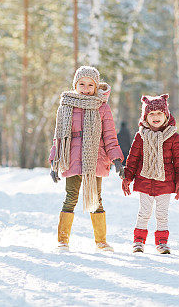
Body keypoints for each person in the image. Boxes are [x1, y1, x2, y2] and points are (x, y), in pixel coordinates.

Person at [49, 65, 124, 252]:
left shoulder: (102, 107)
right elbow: (59, 137)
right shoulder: (66, 106)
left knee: (96, 199)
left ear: (96, 87)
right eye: (81, 84)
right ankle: (62, 240)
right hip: (72, 157)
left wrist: (116, 160)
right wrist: (54, 163)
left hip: (95, 158)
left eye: (90, 85)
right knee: (71, 197)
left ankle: (101, 241)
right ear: (75, 84)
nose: (85, 88)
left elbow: (110, 136)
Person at [122, 94, 179, 254]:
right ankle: (138, 241)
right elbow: (133, 158)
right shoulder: (140, 136)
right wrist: (127, 177)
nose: (156, 116)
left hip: (165, 182)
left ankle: (162, 242)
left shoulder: (173, 137)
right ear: (145, 117)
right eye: (151, 114)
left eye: (159, 113)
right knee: (143, 212)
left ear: (166, 115)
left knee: (162, 214)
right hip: (144, 181)